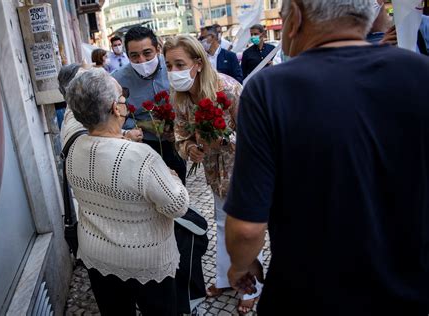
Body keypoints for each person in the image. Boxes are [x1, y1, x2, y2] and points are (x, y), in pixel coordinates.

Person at [224, 0, 429, 315]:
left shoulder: (270, 89)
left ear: (296, 14)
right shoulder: (420, 72)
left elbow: (248, 229)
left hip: (307, 297)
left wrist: (240, 266)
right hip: (406, 294)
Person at [63, 68, 189, 316]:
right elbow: (177, 206)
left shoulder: (73, 147)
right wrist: (173, 179)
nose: (125, 102)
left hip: (97, 257)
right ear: (115, 108)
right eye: (122, 98)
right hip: (146, 260)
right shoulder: (140, 156)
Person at [164, 35, 262, 315]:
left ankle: (250, 287)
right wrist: (191, 149)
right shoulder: (181, 98)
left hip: (243, 171)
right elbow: (181, 137)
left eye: (179, 64)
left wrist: (223, 138)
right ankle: (225, 279)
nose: (174, 72)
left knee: (243, 231)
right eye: (169, 65)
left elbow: (254, 137)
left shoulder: (228, 90)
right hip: (214, 175)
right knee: (221, 225)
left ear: (198, 63)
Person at [112, 26, 187, 183]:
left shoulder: (173, 67)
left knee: (178, 187)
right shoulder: (117, 80)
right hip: (142, 146)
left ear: (157, 49)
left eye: (147, 53)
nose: (142, 60)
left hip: (176, 142)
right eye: (134, 56)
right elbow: (115, 116)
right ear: (127, 55)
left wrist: (179, 126)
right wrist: (143, 124)